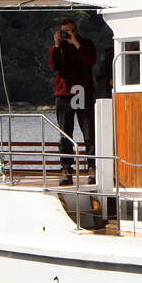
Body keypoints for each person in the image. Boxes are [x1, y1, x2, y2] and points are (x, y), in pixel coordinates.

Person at [49, 17, 97, 184]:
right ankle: (66, 169)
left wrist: (76, 43)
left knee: (89, 132)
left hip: (82, 90)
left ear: (76, 30)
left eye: (70, 31)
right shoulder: (58, 48)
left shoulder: (86, 44)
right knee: (65, 134)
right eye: (64, 31)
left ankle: (92, 167)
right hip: (64, 93)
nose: (67, 35)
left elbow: (90, 61)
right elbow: (54, 67)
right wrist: (57, 45)